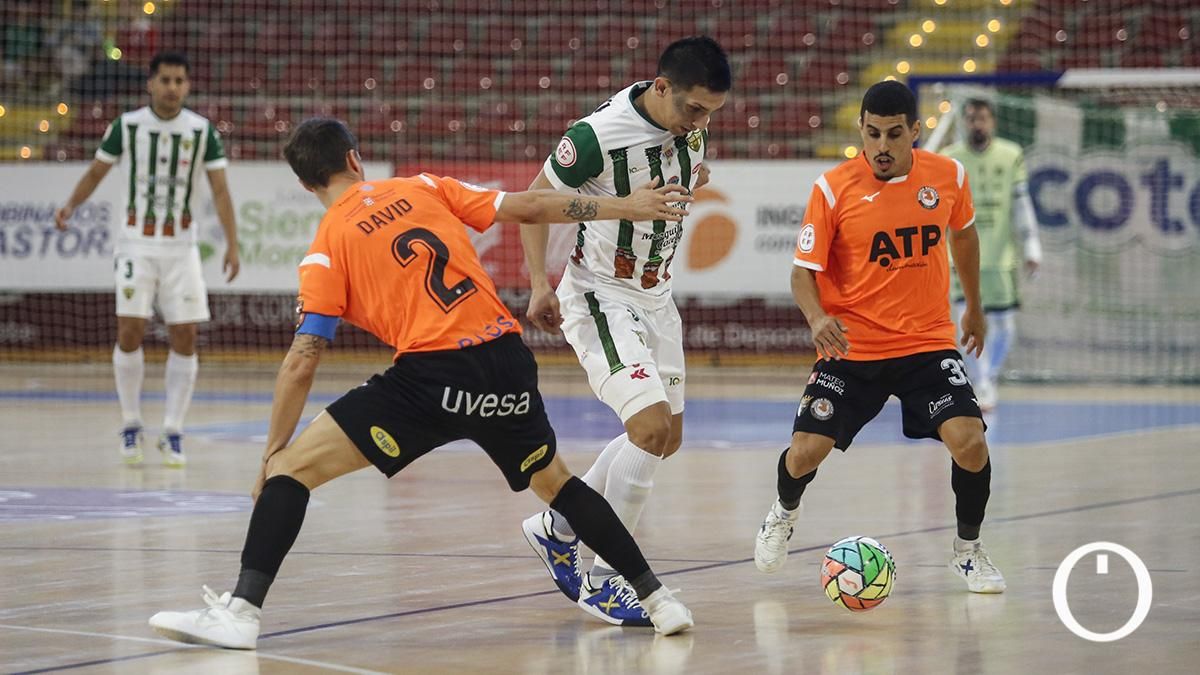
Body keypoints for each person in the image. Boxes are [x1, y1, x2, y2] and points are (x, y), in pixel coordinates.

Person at [147, 118, 696, 650]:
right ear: (354, 159)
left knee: (290, 472)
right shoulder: (423, 186)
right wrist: (625, 207)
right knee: (559, 486)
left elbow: (303, 358)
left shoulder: (327, 244)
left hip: (431, 377)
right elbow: (531, 205)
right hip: (505, 360)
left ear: (306, 184)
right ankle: (659, 599)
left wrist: (271, 453)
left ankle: (240, 614)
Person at [752, 81, 1006, 594]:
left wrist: (975, 308)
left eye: (893, 134)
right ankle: (783, 512)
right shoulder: (833, 189)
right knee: (804, 453)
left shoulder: (949, 176)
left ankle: (968, 552)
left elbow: (964, 234)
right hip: (852, 347)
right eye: (872, 134)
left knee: (971, 443)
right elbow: (802, 274)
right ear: (861, 131)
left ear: (915, 131)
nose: (882, 146)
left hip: (926, 343)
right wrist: (816, 318)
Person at [517, 36, 730, 624]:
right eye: (694, 109)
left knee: (666, 438)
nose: (701, 121)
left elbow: (684, 166)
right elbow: (533, 203)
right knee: (648, 427)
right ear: (661, 87)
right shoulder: (596, 136)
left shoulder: (690, 123)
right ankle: (608, 579)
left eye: (711, 112)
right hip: (600, 297)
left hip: (658, 300)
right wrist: (538, 283)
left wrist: (694, 175)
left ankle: (558, 525)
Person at [55, 52, 240, 467]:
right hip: (135, 244)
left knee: (185, 335)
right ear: (151, 83)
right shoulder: (127, 126)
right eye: (165, 80)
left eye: (179, 81)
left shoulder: (202, 131)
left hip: (182, 247)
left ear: (187, 86)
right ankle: (131, 422)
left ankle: (173, 429)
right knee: (130, 330)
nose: (172, 87)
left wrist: (233, 243)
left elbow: (221, 190)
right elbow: (96, 172)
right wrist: (70, 205)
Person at [940, 98, 1042, 412]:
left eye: (982, 118)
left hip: (999, 259)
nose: (977, 124)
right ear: (963, 122)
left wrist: (1032, 245)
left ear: (992, 121)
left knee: (1005, 327)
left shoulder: (1011, 155)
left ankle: (988, 376)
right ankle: (981, 382)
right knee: (966, 324)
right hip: (961, 258)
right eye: (971, 118)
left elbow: (1021, 204)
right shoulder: (949, 159)